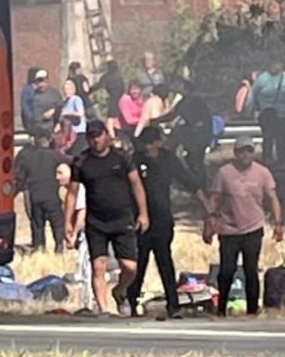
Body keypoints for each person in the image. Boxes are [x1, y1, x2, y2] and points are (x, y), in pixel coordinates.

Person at [63, 120, 150, 316]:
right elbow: (72, 193)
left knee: (130, 266)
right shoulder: (81, 162)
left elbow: (136, 184)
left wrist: (143, 213)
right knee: (98, 265)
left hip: (122, 217)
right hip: (96, 220)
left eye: (98, 135)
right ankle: (103, 310)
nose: (95, 140)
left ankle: (119, 291)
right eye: (91, 137)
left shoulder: (121, 157)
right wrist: (67, 222)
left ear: (106, 135)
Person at [127, 126, 209, 318]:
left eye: (150, 141)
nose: (147, 145)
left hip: (163, 218)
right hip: (140, 219)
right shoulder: (135, 160)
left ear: (157, 142)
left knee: (165, 261)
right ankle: (131, 302)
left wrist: (204, 201)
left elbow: (187, 180)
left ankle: (173, 305)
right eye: (144, 141)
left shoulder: (168, 159)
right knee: (140, 262)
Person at [207, 135, 284, 317]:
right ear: (235, 153)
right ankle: (221, 308)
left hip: (253, 227)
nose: (245, 154)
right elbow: (215, 199)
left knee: (251, 268)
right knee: (227, 269)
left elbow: (273, 198)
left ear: (254, 152)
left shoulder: (263, 172)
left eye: (249, 150)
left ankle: (252, 309)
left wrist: (278, 224)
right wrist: (209, 224)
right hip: (228, 228)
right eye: (242, 151)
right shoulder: (224, 172)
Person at [14, 130, 69, 253]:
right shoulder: (54, 155)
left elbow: (20, 178)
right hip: (51, 197)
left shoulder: (27, 157)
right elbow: (72, 162)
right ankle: (59, 246)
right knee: (57, 224)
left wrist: (13, 193)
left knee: (38, 225)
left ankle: (39, 249)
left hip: (35, 197)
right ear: (49, 140)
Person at [155, 81, 213, 187]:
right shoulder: (192, 100)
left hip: (197, 136)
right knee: (194, 160)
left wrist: (157, 120)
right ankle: (199, 183)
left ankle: (200, 185)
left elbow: (174, 115)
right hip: (202, 134)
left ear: (186, 88)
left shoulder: (189, 101)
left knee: (195, 160)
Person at [246, 57, 285, 164]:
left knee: (282, 138)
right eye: (272, 63)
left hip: (284, 113)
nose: (275, 66)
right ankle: (267, 158)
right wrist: (249, 109)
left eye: (277, 63)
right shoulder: (262, 79)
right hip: (267, 113)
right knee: (268, 137)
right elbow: (252, 93)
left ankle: (282, 159)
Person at [58, 162, 91, 309]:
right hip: (82, 234)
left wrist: (74, 234)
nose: (57, 177)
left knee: (86, 269)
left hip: (88, 232)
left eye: (60, 173)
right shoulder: (68, 191)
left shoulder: (79, 189)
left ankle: (88, 303)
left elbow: (82, 212)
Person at [90, 60, 126, 137]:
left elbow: (98, 86)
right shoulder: (119, 77)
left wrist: (88, 90)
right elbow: (123, 89)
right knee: (117, 121)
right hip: (120, 100)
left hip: (112, 102)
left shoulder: (106, 77)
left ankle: (113, 139)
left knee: (110, 123)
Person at [60, 79, 88, 156]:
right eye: (65, 89)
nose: (66, 91)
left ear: (73, 90)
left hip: (78, 132)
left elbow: (81, 113)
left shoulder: (76, 99)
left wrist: (67, 113)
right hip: (69, 133)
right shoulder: (65, 102)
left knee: (76, 154)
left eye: (69, 89)